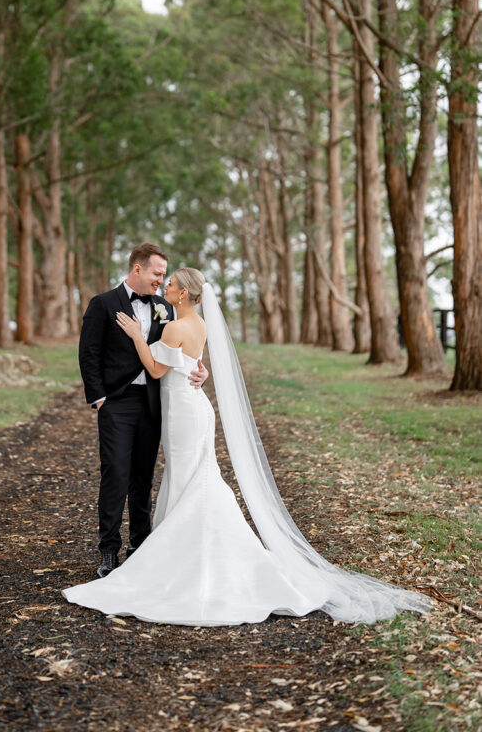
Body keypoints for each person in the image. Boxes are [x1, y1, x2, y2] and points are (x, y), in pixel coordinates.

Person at [64, 268, 432, 626]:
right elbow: (191, 361)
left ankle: (186, 554)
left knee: (193, 479)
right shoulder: (199, 324)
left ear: (182, 295)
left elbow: (158, 370)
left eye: (171, 283)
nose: (165, 288)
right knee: (192, 476)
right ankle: (174, 549)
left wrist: (136, 336)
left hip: (184, 413)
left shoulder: (175, 325)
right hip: (189, 408)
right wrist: (198, 369)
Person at [78, 244, 208, 578]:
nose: (161, 280)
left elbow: (180, 352)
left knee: (143, 477)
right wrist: (99, 397)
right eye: (157, 273)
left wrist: (201, 370)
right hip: (117, 403)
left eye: (165, 276)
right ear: (138, 269)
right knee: (115, 475)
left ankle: (141, 545)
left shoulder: (167, 308)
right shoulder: (103, 304)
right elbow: (89, 353)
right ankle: (108, 551)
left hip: (155, 403)